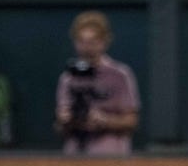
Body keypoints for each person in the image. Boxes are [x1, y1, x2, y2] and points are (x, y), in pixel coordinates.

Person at [53, 10, 140, 156]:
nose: (87, 47)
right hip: (75, 152)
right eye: (81, 41)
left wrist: (105, 120)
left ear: (105, 41)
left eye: (92, 42)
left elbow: (132, 120)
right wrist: (66, 120)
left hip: (111, 152)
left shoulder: (120, 74)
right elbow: (60, 125)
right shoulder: (68, 77)